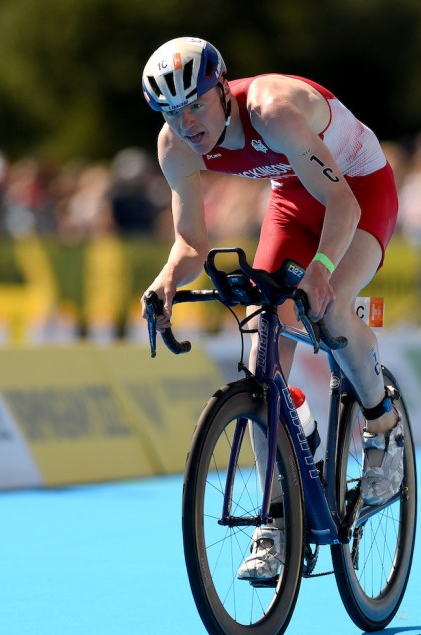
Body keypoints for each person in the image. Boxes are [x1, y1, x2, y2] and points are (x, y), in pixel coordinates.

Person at [139, 37, 404, 580]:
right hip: (292, 199)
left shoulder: (272, 108)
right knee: (264, 336)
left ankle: (384, 426)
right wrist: (166, 279)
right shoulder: (176, 147)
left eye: (195, 104)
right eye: (171, 111)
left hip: (358, 193)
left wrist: (322, 273)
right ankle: (278, 517)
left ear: (222, 89)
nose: (187, 123)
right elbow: (191, 243)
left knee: (329, 311)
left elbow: (343, 204)